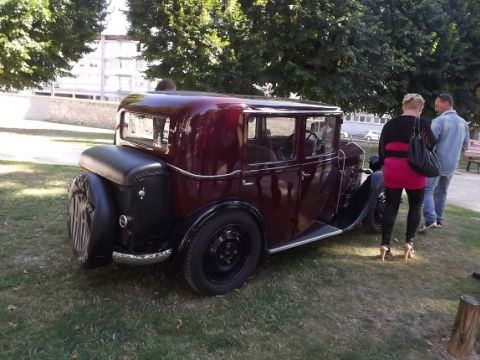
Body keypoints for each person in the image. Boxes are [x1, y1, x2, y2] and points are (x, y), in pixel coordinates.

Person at [378, 93, 436, 261]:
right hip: (414, 169)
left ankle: (385, 245)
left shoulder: (390, 124)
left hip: (392, 167)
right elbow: (431, 145)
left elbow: (382, 148)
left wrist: (384, 164)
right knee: (415, 206)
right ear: (420, 108)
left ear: (403, 106)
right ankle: (409, 243)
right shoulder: (422, 123)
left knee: (391, 206)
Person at [418, 94, 470, 232]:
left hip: (436, 162)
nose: (435, 108)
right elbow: (466, 145)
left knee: (427, 190)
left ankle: (430, 219)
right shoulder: (463, 122)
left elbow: (430, 143)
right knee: (442, 191)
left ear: (446, 103)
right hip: (452, 163)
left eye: (437, 104)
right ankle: (439, 220)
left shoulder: (439, 121)